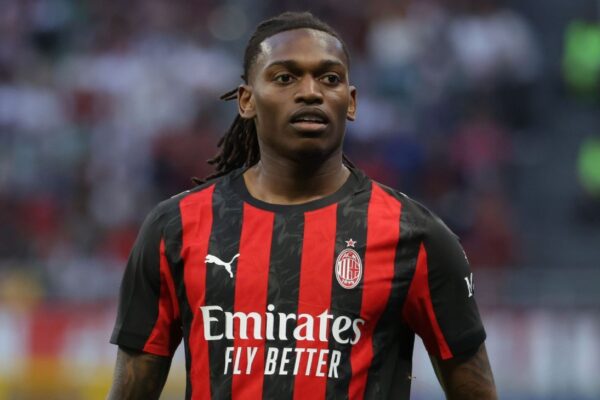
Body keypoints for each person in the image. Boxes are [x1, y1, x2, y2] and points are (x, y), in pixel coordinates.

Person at [107, 11, 497, 400]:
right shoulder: (175, 228)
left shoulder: (415, 236)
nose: (311, 92)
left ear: (351, 102)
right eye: (285, 77)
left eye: (330, 78)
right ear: (246, 100)